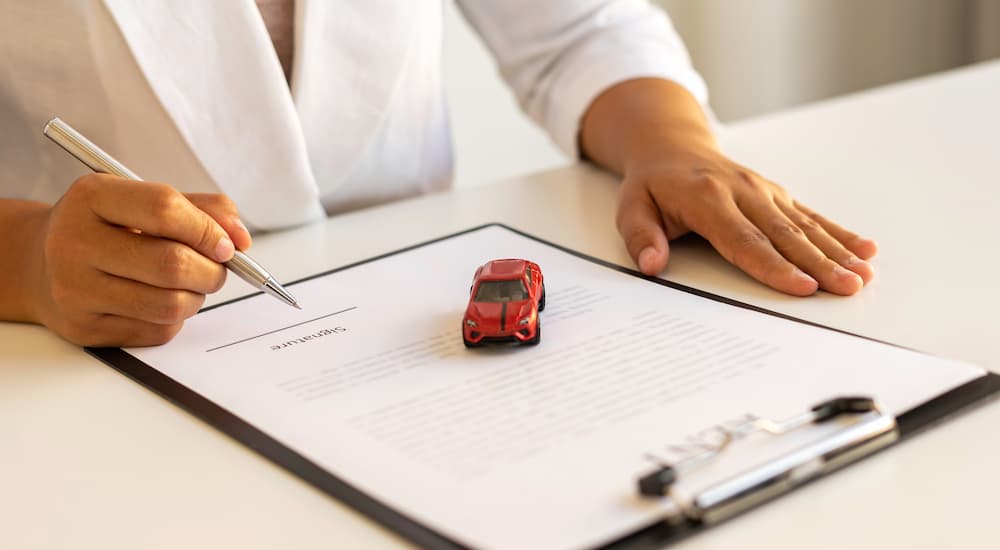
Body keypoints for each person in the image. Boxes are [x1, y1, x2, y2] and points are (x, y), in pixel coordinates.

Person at [0, 1, 877, 347]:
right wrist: (29, 260)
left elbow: (576, 28)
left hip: (400, 325)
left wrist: (671, 139)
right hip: (75, 362)